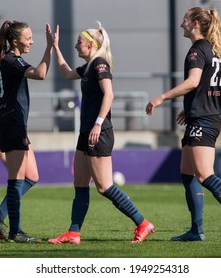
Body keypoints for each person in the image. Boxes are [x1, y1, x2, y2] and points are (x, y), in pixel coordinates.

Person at [146, 7, 221, 242]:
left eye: (184, 20)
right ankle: (196, 230)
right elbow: (206, 86)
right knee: (187, 173)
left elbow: (193, 81)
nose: (181, 24)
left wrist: (161, 97)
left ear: (195, 23)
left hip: (205, 119)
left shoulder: (197, 50)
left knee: (204, 175)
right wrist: (190, 108)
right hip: (202, 115)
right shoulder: (211, 49)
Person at [48, 22, 155, 244]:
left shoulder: (100, 64)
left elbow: (109, 95)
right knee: (79, 182)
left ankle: (143, 223)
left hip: (99, 131)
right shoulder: (88, 66)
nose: (76, 46)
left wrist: (97, 124)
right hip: (85, 132)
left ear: (91, 44)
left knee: (104, 187)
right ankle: (73, 233)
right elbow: (67, 74)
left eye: (79, 42)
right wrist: (54, 46)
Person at [0, 20, 53, 243]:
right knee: (16, 179)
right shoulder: (13, 61)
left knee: (31, 176)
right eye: (28, 37)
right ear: (15, 41)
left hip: (13, 122)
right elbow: (41, 74)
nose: (32, 40)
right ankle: (16, 232)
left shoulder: (9, 59)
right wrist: (50, 47)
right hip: (11, 123)